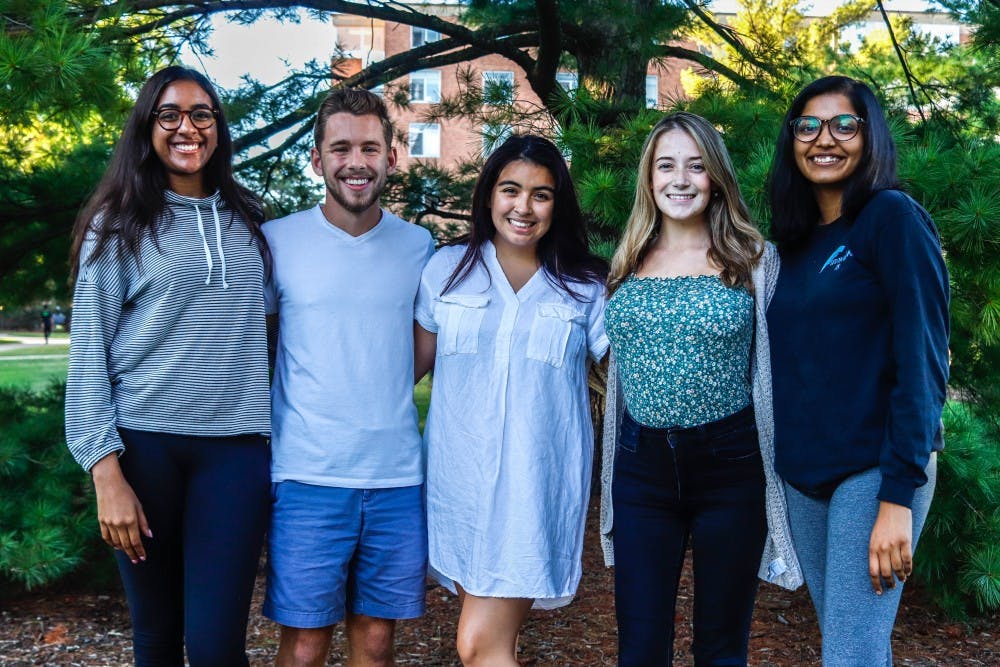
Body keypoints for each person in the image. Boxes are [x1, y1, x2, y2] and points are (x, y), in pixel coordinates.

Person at [65, 66, 271, 666]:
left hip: (234, 453)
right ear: (148, 128)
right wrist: (106, 475)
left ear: (218, 127)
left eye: (201, 114)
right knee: (155, 636)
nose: (188, 127)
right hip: (143, 451)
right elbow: (89, 357)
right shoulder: (119, 224)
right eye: (170, 114)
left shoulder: (249, 222)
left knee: (215, 646)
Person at [599, 111, 803, 667]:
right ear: (649, 177)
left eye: (696, 166)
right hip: (641, 470)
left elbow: (793, 360)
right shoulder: (627, 262)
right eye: (666, 166)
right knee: (640, 649)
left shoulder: (756, 261)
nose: (680, 179)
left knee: (720, 646)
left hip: (731, 467)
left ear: (716, 176)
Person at [766, 76, 949, 665]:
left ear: (870, 137)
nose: (826, 139)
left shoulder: (891, 218)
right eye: (808, 126)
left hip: (875, 472)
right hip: (805, 479)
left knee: (852, 653)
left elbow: (923, 362)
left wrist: (898, 495)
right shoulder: (790, 245)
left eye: (845, 124)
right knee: (852, 646)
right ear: (792, 140)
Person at [412, 134, 608, 667]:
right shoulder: (446, 270)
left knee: (479, 647)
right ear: (489, 195)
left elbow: (624, 378)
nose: (523, 207)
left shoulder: (586, 286)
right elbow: (406, 371)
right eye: (511, 190)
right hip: (457, 490)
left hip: (533, 493)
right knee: (486, 644)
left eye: (541, 195)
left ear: (557, 205)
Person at [262, 88, 435, 667]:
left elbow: (420, 346)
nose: (355, 162)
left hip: (395, 477)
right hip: (307, 474)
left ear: (391, 157)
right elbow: (260, 348)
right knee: (306, 643)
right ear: (317, 160)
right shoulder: (278, 241)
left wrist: (376, 388)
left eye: (369, 147)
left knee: (377, 639)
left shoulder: (419, 247)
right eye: (340, 148)